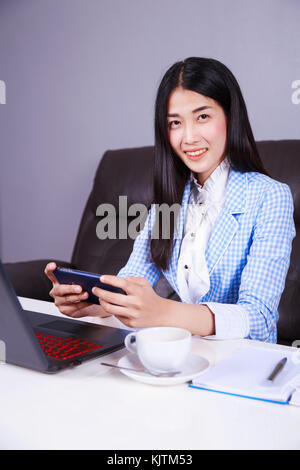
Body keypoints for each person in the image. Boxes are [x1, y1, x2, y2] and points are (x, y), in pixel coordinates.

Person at [45, 57, 295, 343]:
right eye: (175, 123)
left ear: (230, 117)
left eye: (203, 117)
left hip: (243, 365)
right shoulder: (170, 198)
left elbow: (259, 319)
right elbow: (133, 280)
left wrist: (163, 312)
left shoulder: (271, 196)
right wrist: (93, 302)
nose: (188, 137)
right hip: (183, 355)